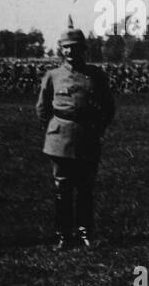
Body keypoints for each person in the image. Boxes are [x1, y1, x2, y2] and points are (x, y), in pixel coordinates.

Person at [36, 23, 115, 250]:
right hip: (60, 137)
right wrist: (54, 129)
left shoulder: (95, 76)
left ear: (84, 49)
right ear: (61, 49)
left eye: (75, 47)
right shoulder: (53, 76)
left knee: (85, 188)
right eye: (66, 47)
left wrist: (97, 129)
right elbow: (42, 109)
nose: (71, 51)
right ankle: (63, 235)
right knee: (62, 188)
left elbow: (108, 107)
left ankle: (84, 234)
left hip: (87, 137)